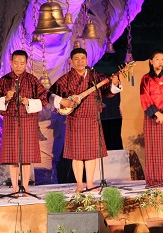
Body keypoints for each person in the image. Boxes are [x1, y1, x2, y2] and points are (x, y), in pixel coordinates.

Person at [47, 48, 122, 193]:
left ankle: (90, 183)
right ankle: (79, 184)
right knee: (77, 155)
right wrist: (62, 101)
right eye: (76, 59)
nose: (80, 61)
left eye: (83, 58)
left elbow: (108, 92)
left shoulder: (96, 77)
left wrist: (115, 83)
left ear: (87, 60)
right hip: (75, 120)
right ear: (71, 62)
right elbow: (50, 94)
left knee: (91, 154)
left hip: (93, 119)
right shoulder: (66, 79)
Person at [0, 50, 48, 194]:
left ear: (26, 64)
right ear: (11, 63)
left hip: (28, 121)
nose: (18, 66)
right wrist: (5, 98)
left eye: (22, 63)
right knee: (12, 157)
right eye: (16, 63)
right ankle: (15, 188)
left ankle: (26, 187)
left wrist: (28, 101)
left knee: (26, 157)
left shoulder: (32, 80)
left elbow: (44, 100)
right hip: (10, 121)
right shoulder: (4, 80)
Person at [140, 49, 163, 187]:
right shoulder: (145, 79)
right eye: (157, 59)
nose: (160, 61)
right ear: (150, 61)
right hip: (152, 117)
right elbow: (145, 98)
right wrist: (157, 114)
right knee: (153, 149)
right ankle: (154, 179)